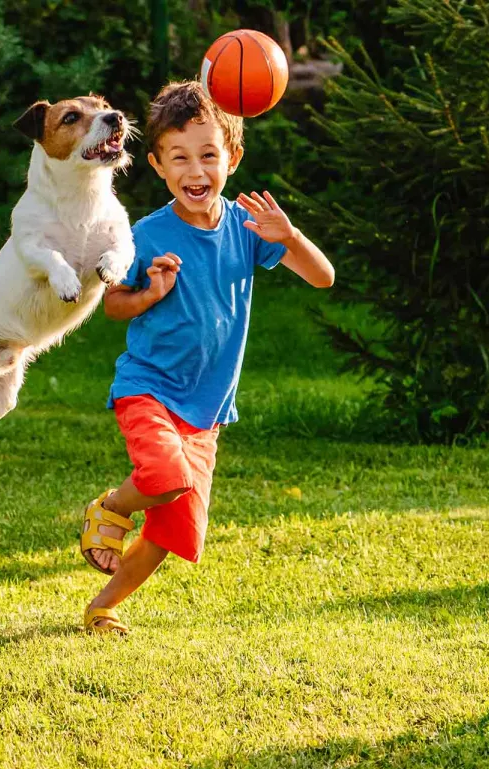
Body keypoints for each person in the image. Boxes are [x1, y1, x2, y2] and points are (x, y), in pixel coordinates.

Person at [79, 80, 335, 634]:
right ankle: (111, 509)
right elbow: (113, 306)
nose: (196, 171)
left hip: (206, 410)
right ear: (157, 165)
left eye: (209, 155)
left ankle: (104, 606)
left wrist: (289, 236)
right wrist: (148, 294)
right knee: (164, 475)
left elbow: (322, 277)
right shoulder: (145, 234)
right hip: (149, 387)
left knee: (173, 533)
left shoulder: (249, 229)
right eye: (180, 158)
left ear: (232, 158)